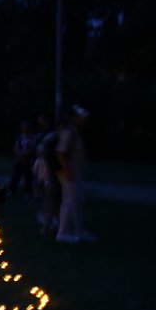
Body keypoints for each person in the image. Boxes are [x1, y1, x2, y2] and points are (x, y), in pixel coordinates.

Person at [55, 104, 96, 243]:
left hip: (75, 172)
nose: (84, 120)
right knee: (69, 201)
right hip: (69, 173)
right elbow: (60, 152)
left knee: (77, 201)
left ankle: (78, 231)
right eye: (81, 118)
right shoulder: (69, 132)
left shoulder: (74, 131)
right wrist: (66, 170)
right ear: (74, 118)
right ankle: (63, 232)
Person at [9, 120, 37, 196]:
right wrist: (20, 155)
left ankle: (27, 192)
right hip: (19, 160)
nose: (24, 128)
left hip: (28, 160)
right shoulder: (20, 137)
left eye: (25, 127)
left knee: (28, 176)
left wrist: (26, 156)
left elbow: (33, 148)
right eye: (23, 127)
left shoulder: (33, 137)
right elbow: (16, 147)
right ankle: (12, 190)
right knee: (16, 175)